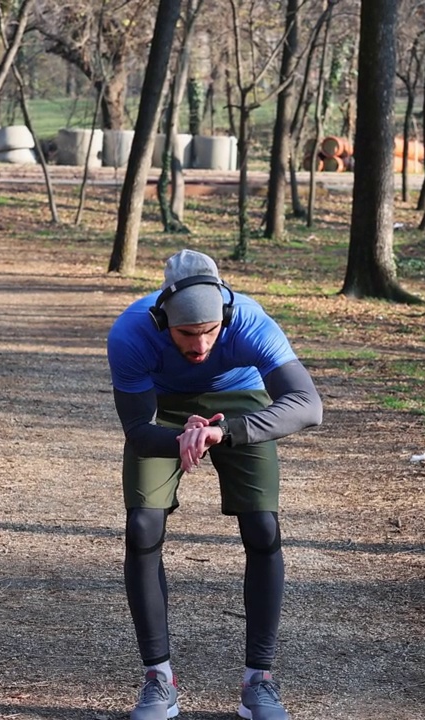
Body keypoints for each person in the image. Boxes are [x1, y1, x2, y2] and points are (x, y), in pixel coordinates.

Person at [106, 249, 323, 720]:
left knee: (263, 528)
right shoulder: (131, 333)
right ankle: (158, 680)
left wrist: (224, 432)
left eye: (210, 332)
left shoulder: (249, 320)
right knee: (143, 527)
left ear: (225, 316)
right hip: (161, 407)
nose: (200, 346)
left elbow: (308, 405)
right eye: (187, 334)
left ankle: (259, 681)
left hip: (240, 403)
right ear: (163, 321)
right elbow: (139, 432)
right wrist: (182, 434)